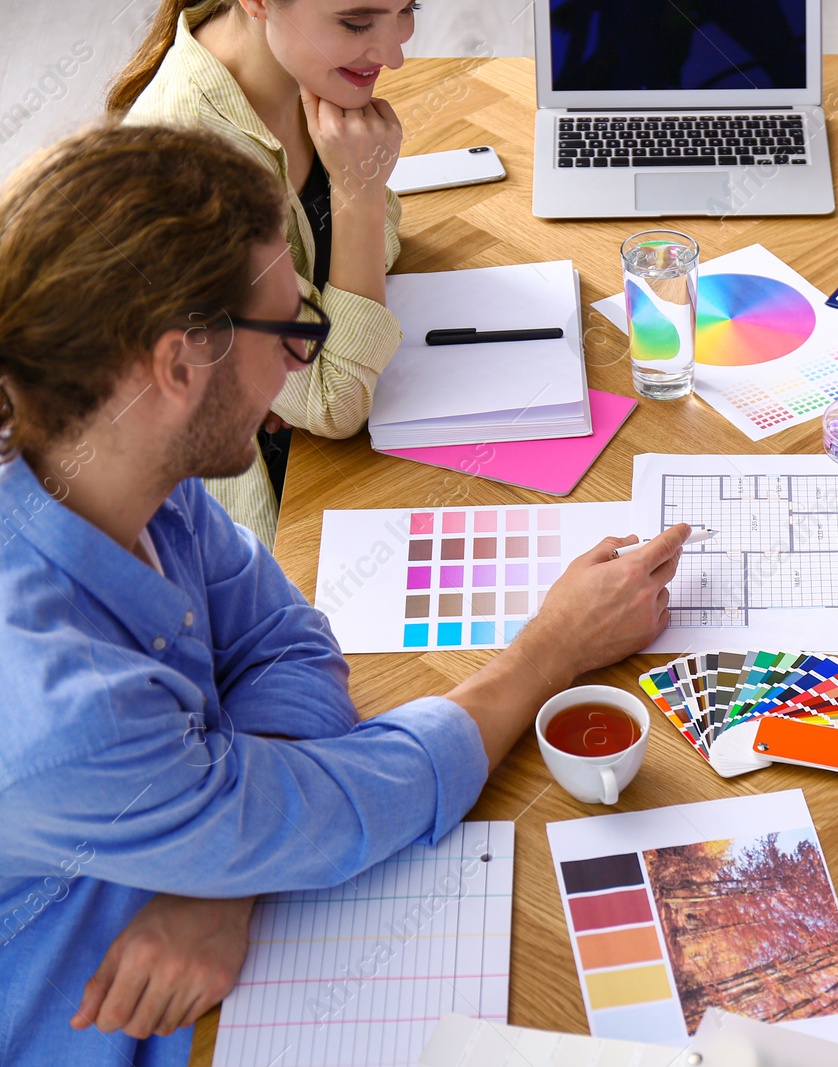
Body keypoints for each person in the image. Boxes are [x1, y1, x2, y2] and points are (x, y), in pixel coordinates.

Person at [0, 123, 689, 1067]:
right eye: (292, 331)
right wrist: (545, 655)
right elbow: (341, 807)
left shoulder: (120, 462)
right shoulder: (57, 709)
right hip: (116, 1013)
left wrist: (226, 868)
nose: (302, 361)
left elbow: (287, 643)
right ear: (173, 363)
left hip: (193, 910)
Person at [108, 0, 416, 546]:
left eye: (408, 8)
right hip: (257, 524)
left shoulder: (299, 65)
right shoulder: (188, 172)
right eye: (357, 22)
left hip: (328, 439)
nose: (392, 55)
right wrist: (357, 192)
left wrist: (362, 206)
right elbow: (335, 400)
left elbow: (387, 229)